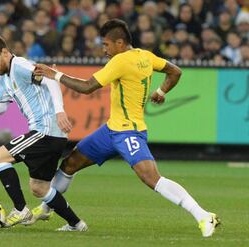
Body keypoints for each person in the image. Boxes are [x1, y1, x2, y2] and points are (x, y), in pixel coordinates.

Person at [32, 19, 220, 237]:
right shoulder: (145, 56)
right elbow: (175, 71)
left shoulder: (120, 61)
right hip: (110, 130)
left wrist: (54, 74)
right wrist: (161, 91)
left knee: (152, 179)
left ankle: (204, 215)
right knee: (70, 163)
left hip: (128, 132)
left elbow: (86, 87)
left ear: (119, 43)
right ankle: (47, 208)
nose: (103, 50)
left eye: (106, 45)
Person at [0, 35, 87, 232]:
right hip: (51, 135)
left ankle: (20, 209)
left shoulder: (19, 65)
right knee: (39, 188)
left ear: (5, 53)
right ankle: (77, 224)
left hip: (45, 130)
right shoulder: (6, 77)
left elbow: (50, 79)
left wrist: (59, 111)